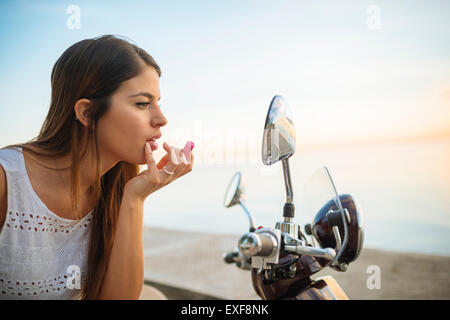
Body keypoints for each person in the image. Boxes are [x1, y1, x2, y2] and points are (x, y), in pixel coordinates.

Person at [0, 35, 194, 299]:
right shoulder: (6, 181)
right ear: (87, 113)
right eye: (142, 103)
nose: (161, 118)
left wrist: (135, 199)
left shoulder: (113, 187)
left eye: (158, 102)